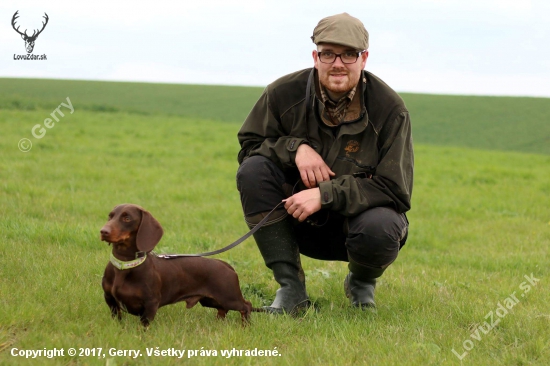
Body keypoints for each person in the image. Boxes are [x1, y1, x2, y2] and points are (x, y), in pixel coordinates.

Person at [236, 13, 413, 314]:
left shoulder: (390, 110)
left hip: (353, 227)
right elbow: (249, 148)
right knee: (253, 171)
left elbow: (395, 190)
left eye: (349, 54)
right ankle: (291, 289)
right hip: (296, 220)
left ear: (364, 58)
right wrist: (295, 148)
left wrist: (325, 194)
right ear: (315, 57)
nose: (338, 63)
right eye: (328, 53)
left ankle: (361, 282)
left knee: (382, 225)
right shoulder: (282, 94)